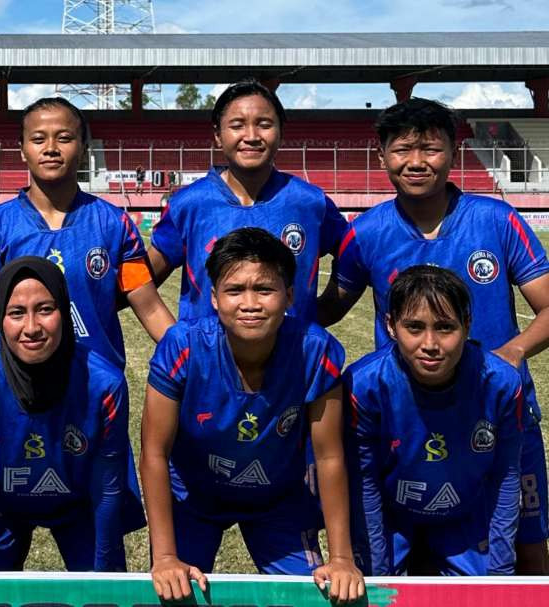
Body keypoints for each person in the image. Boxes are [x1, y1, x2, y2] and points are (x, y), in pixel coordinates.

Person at [318, 97, 549, 573]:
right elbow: (330, 308)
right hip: (406, 420)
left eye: (431, 148)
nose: (417, 162)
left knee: (527, 547)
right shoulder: (366, 232)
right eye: (403, 149)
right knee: (397, 554)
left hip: (498, 412)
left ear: (452, 152)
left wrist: (511, 352)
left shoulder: (497, 220)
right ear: (381, 155)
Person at [141, 228, 362, 603]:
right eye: (234, 290)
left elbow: (329, 455)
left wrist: (342, 557)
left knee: (315, 596)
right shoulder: (182, 347)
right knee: (174, 591)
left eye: (264, 289)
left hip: (279, 499)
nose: (250, 303)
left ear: (289, 295)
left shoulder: (316, 350)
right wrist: (164, 556)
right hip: (193, 497)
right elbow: (154, 454)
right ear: (213, 298)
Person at [0, 96, 173, 389]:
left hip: (96, 387)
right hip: (19, 388)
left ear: (83, 148)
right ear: (22, 150)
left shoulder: (114, 224)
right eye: (38, 139)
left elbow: (149, 307)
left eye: (64, 138)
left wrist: (193, 361)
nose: (50, 148)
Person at [0, 257, 142, 571]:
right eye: (16, 313)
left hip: (81, 504)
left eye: (46, 309)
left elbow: (106, 487)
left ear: (64, 311)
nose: (32, 327)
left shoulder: (105, 384)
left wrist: (105, 576)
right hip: (1, 507)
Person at [346, 266, 524, 575]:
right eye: (414, 327)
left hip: (465, 513)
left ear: (467, 325)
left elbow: (505, 477)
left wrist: (500, 570)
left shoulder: (501, 383)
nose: (430, 343)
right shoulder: (364, 386)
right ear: (390, 326)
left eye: (445, 328)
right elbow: (365, 483)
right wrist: (378, 572)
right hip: (392, 515)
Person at [146, 78, 348, 324]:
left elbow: (354, 259)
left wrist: (325, 310)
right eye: (237, 125)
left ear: (281, 133)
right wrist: (175, 340)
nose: (251, 136)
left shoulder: (310, 202)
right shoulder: (189, 204)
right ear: (218, 136)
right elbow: (143, 282)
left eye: (264, 124)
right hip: (209, 359)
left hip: (291, 359)